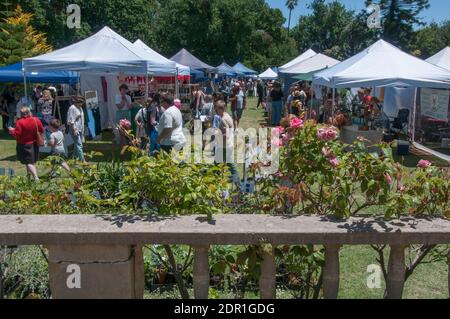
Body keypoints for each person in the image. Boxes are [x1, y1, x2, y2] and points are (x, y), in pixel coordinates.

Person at [8, 106, 44, 181]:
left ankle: (36, 178)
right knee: (30, 162)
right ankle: (28, 176)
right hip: (34, 143)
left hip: (24, 144)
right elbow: (41, 130)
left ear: (21, 114)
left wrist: (12, 131)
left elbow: (17, 134)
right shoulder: (36, 119)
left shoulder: (20, 122)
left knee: (28, 162)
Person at [214, 100, 239, 184]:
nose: (215, 110)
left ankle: (236, 184)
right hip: (228, 145)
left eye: (216, 108)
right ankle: (236, 185)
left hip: (224, 146)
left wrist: (217, 135)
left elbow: (226, 135)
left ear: (221, 109)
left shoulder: (224, 119)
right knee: (219, 165)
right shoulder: (227, 116)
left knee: (226, 166)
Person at [67, 96, 86, 162]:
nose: (81, 104)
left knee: (77, 144)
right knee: (79, 144)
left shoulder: (80, 108)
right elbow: (71, 120)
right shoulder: (72, 108)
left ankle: (73, 157)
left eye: (82, 102)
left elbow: (82, 119)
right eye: (79, 102)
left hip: (80, 128)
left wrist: (83, 130)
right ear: (76, 102)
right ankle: (83, 160)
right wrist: (74, 130)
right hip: (74, 128)